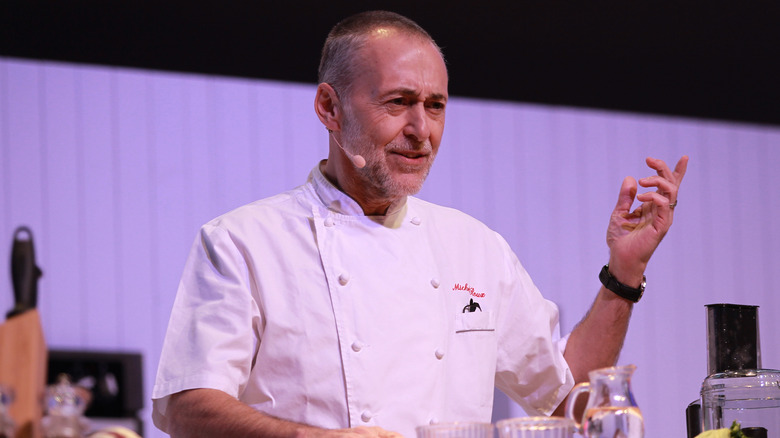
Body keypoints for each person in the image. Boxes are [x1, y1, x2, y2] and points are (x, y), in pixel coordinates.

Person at [152, 10, 688, 438]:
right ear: (328, 107)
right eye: (399, 102)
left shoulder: (475, 247)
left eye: (435, 106)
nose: (421, 130)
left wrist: (624, 273)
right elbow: (185, 407)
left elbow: (568, 401)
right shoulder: (244, 241)